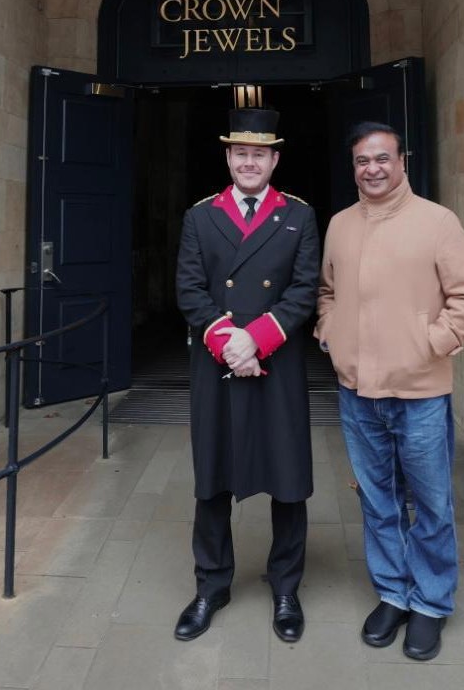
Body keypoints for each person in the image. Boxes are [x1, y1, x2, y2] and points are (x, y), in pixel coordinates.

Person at [316, 120, 464, 662]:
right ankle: (392, 592)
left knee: (432, 504)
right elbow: (327, 292)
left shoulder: (437, 222)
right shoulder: (340, 224)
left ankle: (431, 603)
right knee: (377, 501)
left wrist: (430, 342)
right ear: (354, 167)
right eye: (363, 161)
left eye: (382, 158)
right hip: (357, 391)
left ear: (402, 160)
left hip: (420, 392)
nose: (372, 169)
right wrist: (329, 331)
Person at [172, 107, 321, 643]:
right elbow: (189, 288)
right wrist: (228, 341)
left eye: (260, 153)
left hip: (274, 361)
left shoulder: (299, 216)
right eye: (241, 153)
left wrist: (255, 338)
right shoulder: (200, 216)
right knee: (212, 478)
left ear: (275, 159)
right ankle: (211, 585)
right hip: (218, 365)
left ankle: (286, 586)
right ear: (228, 157)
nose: (250, 162)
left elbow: (304, 289)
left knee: (288, 480)